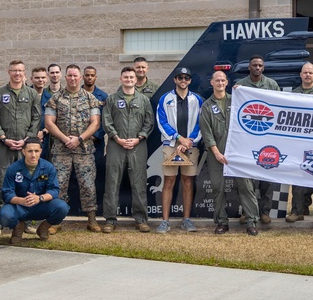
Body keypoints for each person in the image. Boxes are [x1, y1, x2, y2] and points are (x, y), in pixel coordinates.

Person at [200, 70, 259, 235]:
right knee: (218, 188)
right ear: (211, 83)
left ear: (227, 83)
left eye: (223, 80)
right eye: (217, 80)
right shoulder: (206, 106)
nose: (220, 83)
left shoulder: (237, 100)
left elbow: (252, 115)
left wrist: (243, 91)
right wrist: (217, 153)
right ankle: (221, 222)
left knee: (246, 187)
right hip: (216, 154)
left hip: (238, 153)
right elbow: (207, 133)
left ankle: (251, 222)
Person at [45, 64, 101, 232]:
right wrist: (64, 139)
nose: (73, 78)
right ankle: (56, 221)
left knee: (88, 185)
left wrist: (79, 139)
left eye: (76, 76)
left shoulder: (91, 99)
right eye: (70, 75)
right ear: (65, 77)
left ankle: (92, 220)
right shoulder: (55, 99)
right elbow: (49, 122)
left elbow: (96, 123)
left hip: (84, 150)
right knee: (59, 185)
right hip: (61, 151)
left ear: (81, 77)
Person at [101, 67, 154, 233]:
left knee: (138, 184)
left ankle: (141, 219)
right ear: (120, 79)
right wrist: (117, 138)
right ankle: (110, 220)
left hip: (137, 147)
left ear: (135, 79)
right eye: (126, 77)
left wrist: (139, 138)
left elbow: (149, 122)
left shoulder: (144, 100)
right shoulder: (112, 99)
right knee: (112, 183)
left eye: (132, 77)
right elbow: (106, 121)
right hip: (116, 145)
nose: (129, 79)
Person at [155, 67, 203, 232]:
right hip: (171, 145)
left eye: (186, 78)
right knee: (168, 181)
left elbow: (200, 123)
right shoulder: (165, 98)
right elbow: (162, 122)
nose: (183, 80)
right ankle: (165, 221)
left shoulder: (197, 99)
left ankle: (186, 219)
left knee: (188, 181)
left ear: (190, 81)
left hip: (191, 145)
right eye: (180, 77)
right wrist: (178, 138)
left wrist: (188, 141)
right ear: (175, 79)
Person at [0, 138, 70, 244]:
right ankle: (18, 227)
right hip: (19, 206)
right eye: (30, 151)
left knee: (62, 207)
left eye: (36, 151)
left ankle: (44, 228)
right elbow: (7, 193)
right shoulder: (13, 169)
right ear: (23, 151)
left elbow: (54, 190)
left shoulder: (48, 167)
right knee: (5, 216)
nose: (33, 155)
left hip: (40, 205)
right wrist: (21, 201)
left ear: (41, 151)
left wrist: (39, 198)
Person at [236, 55, 281, 223]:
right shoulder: (241, 85)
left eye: (260, 65)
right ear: (249, 67)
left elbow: (279, 108)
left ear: (263, 68)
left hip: (268, 137)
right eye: (254, 65)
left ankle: (265, 212)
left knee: (267, 176)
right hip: (247, 138)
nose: (257, 67)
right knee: (247, 177)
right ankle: (246, 211)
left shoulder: (272, 85)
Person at [0, 60, 42, 181]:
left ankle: (23, 200)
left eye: (20, 70)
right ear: (9, 72)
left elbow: (37, 117)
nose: (17, 73)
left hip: (25, 144)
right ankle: (3, 201)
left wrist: (27, 139)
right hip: (3, 146)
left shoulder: (32, 94)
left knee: (25, 177)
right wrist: (3, 138)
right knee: (2, 177)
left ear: (24, 73)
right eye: (14, 70)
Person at [287, 62, 313, 223]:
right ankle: (297, 211)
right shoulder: (294, 94)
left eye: (311, 72)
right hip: (299, 144)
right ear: (301, 75)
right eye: (305, 72)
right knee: (297, 180)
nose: (308, 75)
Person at [82, 65, 109, 221]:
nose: (89, 77)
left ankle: (96, 211)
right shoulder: (75, 94)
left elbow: (105, 121)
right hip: (77, 144)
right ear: (83, 77)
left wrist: (92, 136)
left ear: (96, 77)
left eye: (92, 75)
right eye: (87, 75)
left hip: (95, 144)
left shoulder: (103, 96)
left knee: (95, 176)